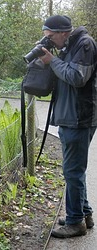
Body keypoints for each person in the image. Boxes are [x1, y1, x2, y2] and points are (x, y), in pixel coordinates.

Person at [39, 15, 97, 238]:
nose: (50, 41)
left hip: (79, 118)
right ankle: (84, 214)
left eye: (51, 37)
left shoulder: (85, 44)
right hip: (69, 117)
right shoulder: (68, 46)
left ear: (63, 32)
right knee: (74, 171)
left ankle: (75, 223)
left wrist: (52, 61)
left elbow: (76, 77)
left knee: (72, 171)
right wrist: (49, 60)